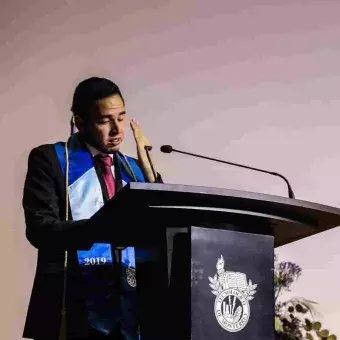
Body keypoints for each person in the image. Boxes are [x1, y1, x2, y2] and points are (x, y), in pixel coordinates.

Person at [22, 77, 161, 340]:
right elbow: (40, 229)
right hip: (73, 306)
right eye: (104, 120)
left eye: (121, 117)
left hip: (128, 312)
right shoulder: (51, 160)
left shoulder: (132, 169)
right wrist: (101, 229)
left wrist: (150, 172)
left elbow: (161, 230)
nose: (117, 129)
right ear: (80, 123)